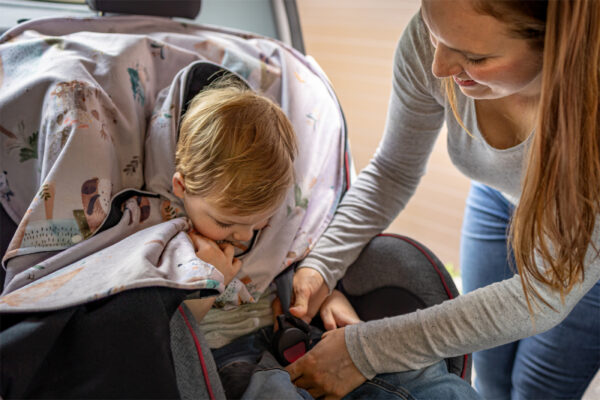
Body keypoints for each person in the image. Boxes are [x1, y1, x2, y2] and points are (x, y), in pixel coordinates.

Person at [286, 0, 600, 399]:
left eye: (475, 57)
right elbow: (393, 170)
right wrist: (322, 265)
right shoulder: (432, 46)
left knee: (538, 389)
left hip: (590, 249)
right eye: (433, 32)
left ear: (558, 45)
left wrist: (363, 351)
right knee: (490, 372)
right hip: (498, 199)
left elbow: (539, 297)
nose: (438, 67)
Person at [172, 78, 480, 399]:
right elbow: (164, 340)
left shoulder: (278, 217)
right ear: (182, 188)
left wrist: (327, 294)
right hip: (229, 356)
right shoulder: (167, 244)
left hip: (297, 330)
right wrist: (205, 285)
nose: (245, 235)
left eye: (260, 222)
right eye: (227, 223)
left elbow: (299, 258)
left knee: (419, 374)